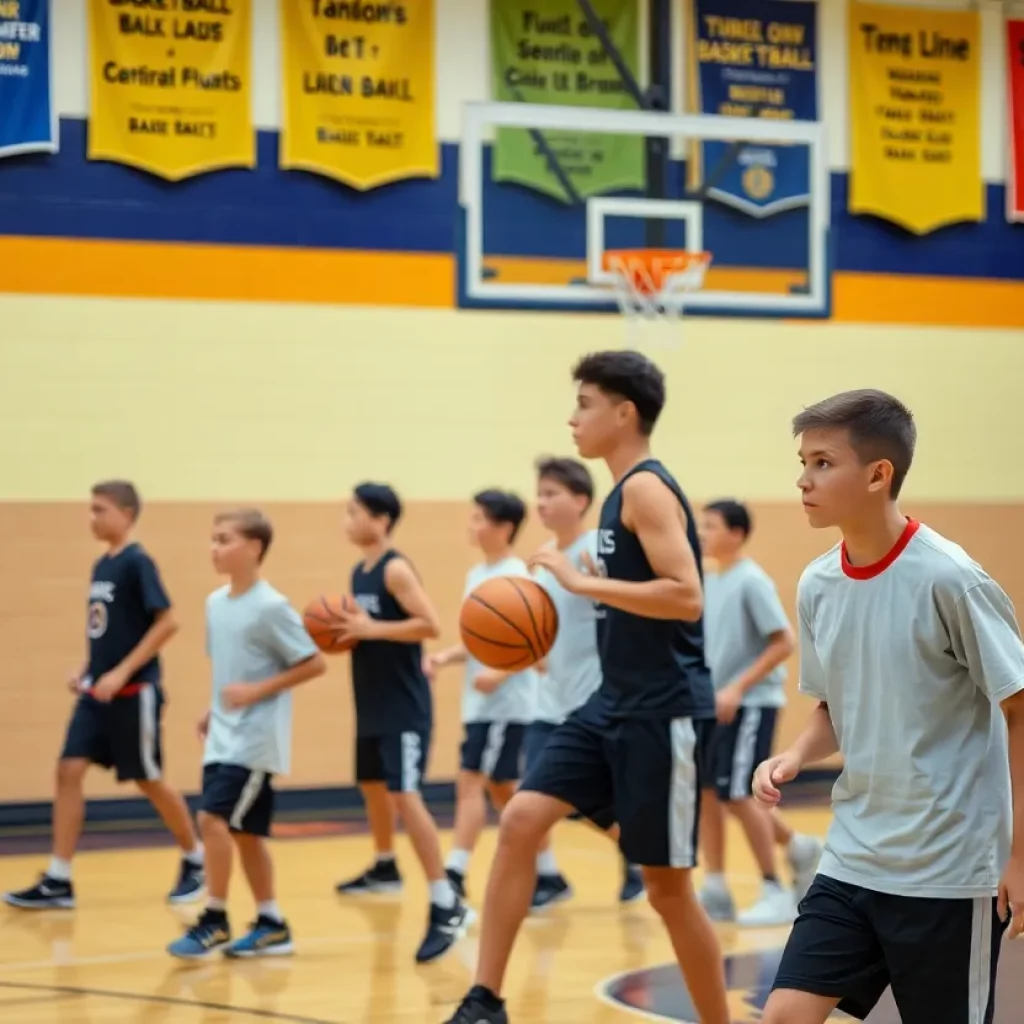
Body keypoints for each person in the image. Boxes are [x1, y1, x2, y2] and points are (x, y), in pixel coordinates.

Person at [444, 351, 729, 1024]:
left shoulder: (646, 489)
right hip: (609, 703)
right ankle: (485, 999)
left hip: (663, 712)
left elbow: (687, 597)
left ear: (624, 413)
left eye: (585, 404)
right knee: (519, 819)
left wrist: (581, 583)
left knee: (666, 891)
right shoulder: (614, 496)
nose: (573, 418)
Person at [754, 389, 1024, 1024]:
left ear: (879, 475)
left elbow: (1020, 710)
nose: (803, 479)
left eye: (822, 463)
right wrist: (793, 755)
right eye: (803, 462)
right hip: (853, 856)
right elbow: (833, 708)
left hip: (949, 871)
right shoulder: (818, 582)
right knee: (784, 1015)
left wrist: (1020, 857)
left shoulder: (951, 579)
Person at [4, 480, 204, 910]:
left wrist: (122, 671)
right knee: (68, 769)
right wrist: (86, 666)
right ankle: (59, 878)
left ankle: (195, 859)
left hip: (135, 692)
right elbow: (104, 629)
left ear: (126, 515)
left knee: (148, 779)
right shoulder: (101, 567)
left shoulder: (137, 563)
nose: (92, 518)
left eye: (100, 510)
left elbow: (168, 622)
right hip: (98, 693)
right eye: (90, 509)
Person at [167, 509, 326, 959]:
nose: (214, 548)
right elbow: (229, 670)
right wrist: (212, 708)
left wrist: (258, 691)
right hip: (224, 734)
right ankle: (272, 922)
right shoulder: (216, 603)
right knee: (246, 835)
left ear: (254, 547)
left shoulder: (271, 606)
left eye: (224, 539)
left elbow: (313, 662)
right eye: (212, 539)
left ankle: (214, 917)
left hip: (255, 740)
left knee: (212, 819)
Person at [332, 483, 472, 963]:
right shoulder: (360, 570)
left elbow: (429, 625)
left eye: (354, 513)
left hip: (404, 707)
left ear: (382, 520)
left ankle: (444, 900)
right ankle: (385, 865)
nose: (346, 520)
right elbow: (367, 631)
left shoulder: (394, 568)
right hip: (370, 701)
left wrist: (371, 629)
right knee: (373, 786)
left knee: (404, 796)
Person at [697, 498, 821, 926]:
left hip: (749, 703)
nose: (701, 533)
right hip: (713, 705)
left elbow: (783, 642)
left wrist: (737, 687)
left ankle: (774, 887)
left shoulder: (752, 581)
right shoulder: (710, 581)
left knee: (738, 792)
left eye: (709, 526)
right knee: (709, 793)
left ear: (736, 532)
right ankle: (716, 887)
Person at [528, 455, 644, 909]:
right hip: (548, 702)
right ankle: (549, 877)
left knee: (585, 802)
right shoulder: (540, 558)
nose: (541, 502)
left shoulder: (600, 550)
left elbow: (628, 614)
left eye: (551, 493)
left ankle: (637, 857)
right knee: (530, 798)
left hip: (593, 700)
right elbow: (534, 626)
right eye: (538, 494)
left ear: (580, 500)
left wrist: (589, 582)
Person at [428, 489, 537, 900]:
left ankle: (455, 870)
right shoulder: (475, 575)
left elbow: (537, 643)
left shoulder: (519, 576)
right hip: (480, 703)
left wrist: (501, 674)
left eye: (479, 519)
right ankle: (547, 871)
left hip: (505, 704)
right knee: (505, 790)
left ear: (504, 527)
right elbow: (477, 640)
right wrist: (445, 657)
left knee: (470, 780)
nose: (471, 526)